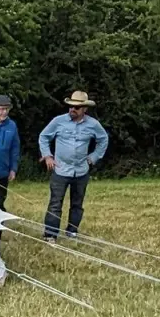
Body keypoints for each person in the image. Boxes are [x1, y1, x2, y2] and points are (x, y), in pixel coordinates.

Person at [39, 90, 108, 241]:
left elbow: (103, 140)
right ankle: (50, 234)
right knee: (55, 203)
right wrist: (48, 156)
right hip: (60, 169)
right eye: (70, 106)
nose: (72, 110)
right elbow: (44, 137)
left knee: (77, 203)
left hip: (81, 171)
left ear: (84, 109)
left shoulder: (93, 124)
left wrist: (94, 157)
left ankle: (72, 231)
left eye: (76, 107)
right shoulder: (58, 121)